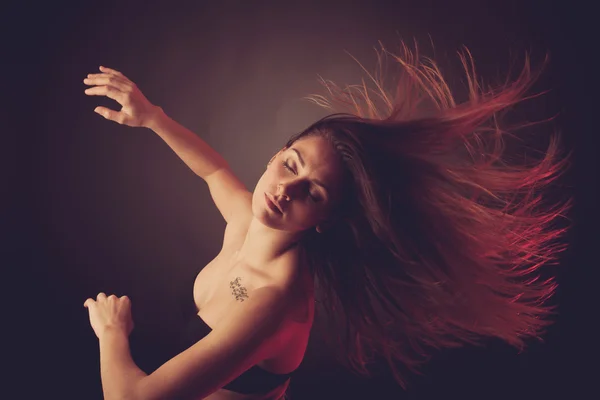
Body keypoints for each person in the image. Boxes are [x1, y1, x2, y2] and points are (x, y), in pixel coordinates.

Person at [82, 42, 572, 400]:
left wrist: (112, 334)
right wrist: (152, 117)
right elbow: (213, 170)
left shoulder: (275, 302)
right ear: (277, 154)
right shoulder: (249, 220)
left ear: (326, 218)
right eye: (291, 164)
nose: (283, 189)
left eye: (311, 193)